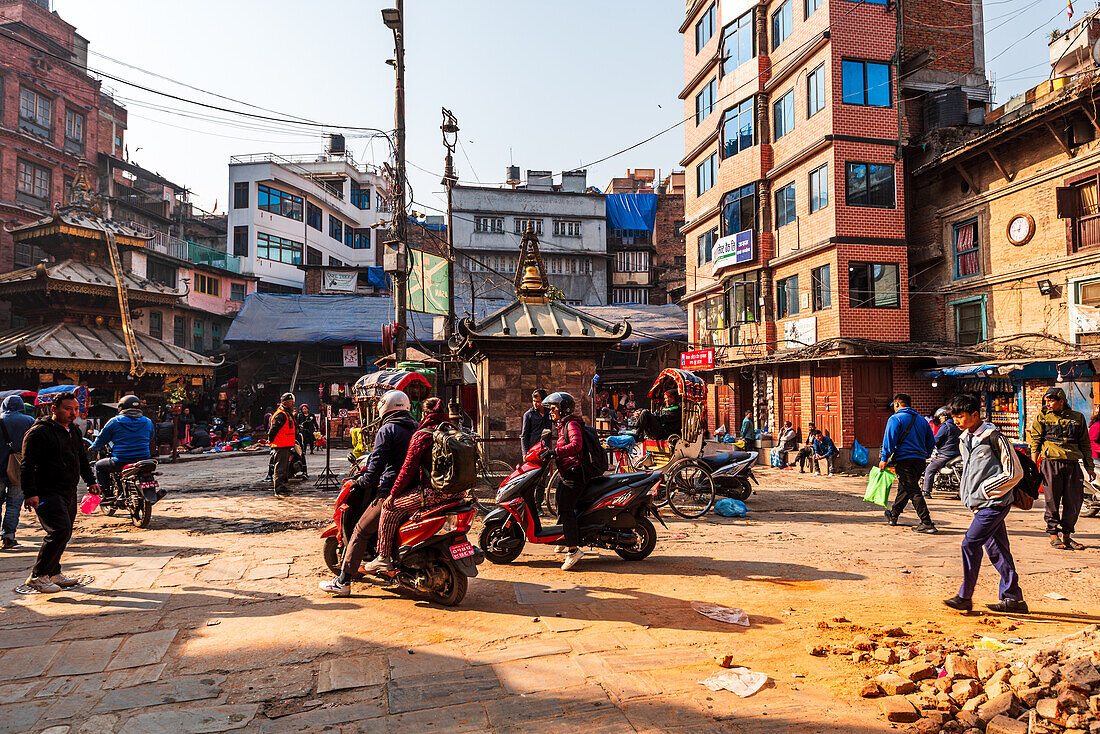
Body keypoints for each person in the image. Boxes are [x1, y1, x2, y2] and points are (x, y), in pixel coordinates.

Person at [320, 390, 418, 596]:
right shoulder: (416, 428)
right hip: (416, 489)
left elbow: (376, 467)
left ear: (385, 407)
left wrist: (362, 482)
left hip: (392, 491)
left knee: (360, 530)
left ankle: (343, 582)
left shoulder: (388, 429)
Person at [942, 393, 1028, 614]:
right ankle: (1014, 599)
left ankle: (965, 596)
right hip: (980, 505)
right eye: (954, 417)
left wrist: (986, 490)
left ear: (975, 415)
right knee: (998, 550)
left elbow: (1014, 473)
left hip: (995, 503)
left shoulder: (995, 437)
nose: (956, 421)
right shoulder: (965, 439)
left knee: (969, 544)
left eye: (960, 416)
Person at [363, 398, 466, 575]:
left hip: (434, 492)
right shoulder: (454, 431)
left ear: (426, 413)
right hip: (459, 492)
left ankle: (383, 558)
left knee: (390, 509)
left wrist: (392, 495)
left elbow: (407, 469)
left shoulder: (424, 434)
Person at [20, 392, 99, 593]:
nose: (73, 413)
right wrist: (30, 493)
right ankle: (38, 575)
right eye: (68, 409)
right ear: (54, 409)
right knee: (59, 530)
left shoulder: (72, 431)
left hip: (68, 490)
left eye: (75, 409)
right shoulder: (39, 433)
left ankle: (54, 572)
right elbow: (27, 465)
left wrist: (90, 481)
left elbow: (81, 458)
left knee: (66, 532)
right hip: (46, 491)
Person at [1028, 386, 1095, 550]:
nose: (1048, 403)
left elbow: (1085, 443)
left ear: (1061, 401)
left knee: (1074, 501)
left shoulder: (1077, 418)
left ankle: (1067, 536)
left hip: (1072, 465)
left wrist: (1090, 467)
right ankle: (1053, 535)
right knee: (1052, 500)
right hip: (1051, 464)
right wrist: (1033, 466)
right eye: (1047, 400)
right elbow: (1035, 443)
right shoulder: (1042, 417)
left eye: (1051, 400)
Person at [880, 393, 938, 533]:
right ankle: (893, 516)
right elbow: (931, 441)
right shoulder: (922, 420)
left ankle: (926, 522)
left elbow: (889, 440)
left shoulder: (895, 419)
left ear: (897, 404)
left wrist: (884, 458)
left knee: (912, 490)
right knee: (905, 489)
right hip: (919, 461)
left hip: (904, 460)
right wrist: (926, 454)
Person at [543, 392, 587, 571]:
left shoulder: (572, 424)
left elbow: (577, 445)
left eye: (553, 408)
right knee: (559, 503)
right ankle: (563, 537)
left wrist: (555, 452)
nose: (551, 412)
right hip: (566, 472)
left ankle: (573, 550)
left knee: (567, 509)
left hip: (574, 473)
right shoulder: (562, 425)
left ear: (563, 409)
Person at [89, 395, 155, 494]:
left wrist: (93, 447)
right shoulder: (148, 422)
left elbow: (102, 438)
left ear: (121, 407)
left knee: (99, 466)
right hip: (143, 459)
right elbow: (150, 437)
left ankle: (106, 493)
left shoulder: (114, 422)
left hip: (121, 461)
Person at [0, 396, 34, 550]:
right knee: (14, 504)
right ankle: (8, 537)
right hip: (19, 468)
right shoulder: (29, 421)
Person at [923, 407, 962, 498]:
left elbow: (936, 439)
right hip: (957, 453)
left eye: (941, 416)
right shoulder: (957, 425)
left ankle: (926, 491)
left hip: (946, 454)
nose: (940, 418)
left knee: (930, 469)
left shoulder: (946, 426)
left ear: (946, 416)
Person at [268, 393, 298, 497]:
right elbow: (274, 429)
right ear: (285, 403)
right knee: (280, 467)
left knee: (284, 467)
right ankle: (278, 489)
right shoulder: (281, 414)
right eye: (291, 402)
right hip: (280, 445)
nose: (293, 404)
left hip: (286, 444)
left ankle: (283, 486)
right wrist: (270, 440)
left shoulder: (287, 413)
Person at [520, 389, 554, 454]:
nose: (535, 404)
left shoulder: (550, 413)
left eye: (538, 402)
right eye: (533, 401)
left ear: (543, 401)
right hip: (533, 450)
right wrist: (525, 453)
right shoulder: (528, 415)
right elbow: (524, 436)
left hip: (547, 449)